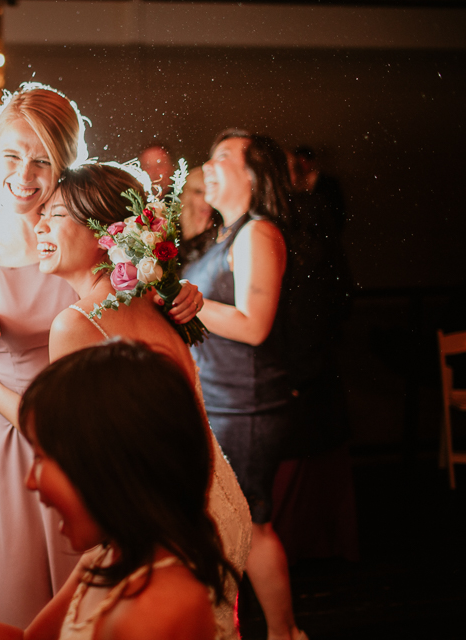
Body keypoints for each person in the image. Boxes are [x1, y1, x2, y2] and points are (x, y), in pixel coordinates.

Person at [0, 84, 200, 629]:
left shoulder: (90, 229)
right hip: (18, 434)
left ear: (66, 163)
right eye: (11, 156)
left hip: (106, 435)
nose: (25, 175)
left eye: (42, 161)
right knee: (21, 593)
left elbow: (136, 309)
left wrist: (178, 294)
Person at [0, 162, 251, 638]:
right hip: (212, 500)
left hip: (160, 520)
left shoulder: (77, 322)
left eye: (55, 215)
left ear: (105, 232)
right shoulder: (156, 302)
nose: (38, 225)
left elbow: (58, 436)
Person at [0, 340, 239, 640]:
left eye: (42, 457)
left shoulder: (156, 612)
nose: (30, 480)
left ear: (108, 464)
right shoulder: (108, 556)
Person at [183, 130, 306, 640]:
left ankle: (284, 634)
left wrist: (185, 300)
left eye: (222, 159)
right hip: (217, 399)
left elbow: (254, 325)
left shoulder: (258, 232)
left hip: (246, 404)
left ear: (254, 175)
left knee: (252, 523)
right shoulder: (224, 233)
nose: (207, 167)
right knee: (225, 523)